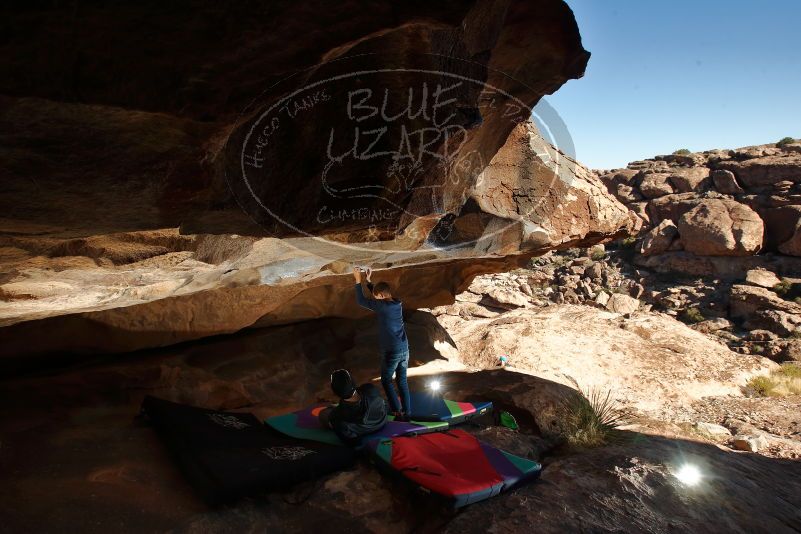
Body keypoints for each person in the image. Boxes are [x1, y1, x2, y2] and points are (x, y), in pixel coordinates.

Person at [352, 266, 411, 420]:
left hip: (392, 351)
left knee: (386, 380)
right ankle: (407, 412)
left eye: (376, 296)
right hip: (404, 349)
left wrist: (358, 281)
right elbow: (378, 296)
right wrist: (369, 281)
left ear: (380, 295)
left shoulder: (383, 307)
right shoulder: (396, 302)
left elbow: (361, 300)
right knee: (402, 381)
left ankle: (398, 412)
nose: (374, 298)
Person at [318, 369, 388, 446]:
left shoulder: (336, 416)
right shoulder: (370, 388)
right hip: (381, 421)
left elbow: (353, 442)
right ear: (353, 382)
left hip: (361, 430)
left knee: (323, 414)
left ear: (335, 392)